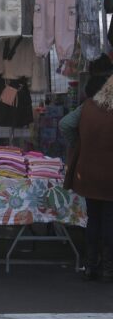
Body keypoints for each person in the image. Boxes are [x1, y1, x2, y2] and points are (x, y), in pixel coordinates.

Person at [61, 75, 112, 281]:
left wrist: (79, 145)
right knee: (110, 221)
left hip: (89, 173)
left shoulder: (88, 106)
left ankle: (91, 265)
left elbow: (65, 124)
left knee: (93, 218)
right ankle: (109, 268)